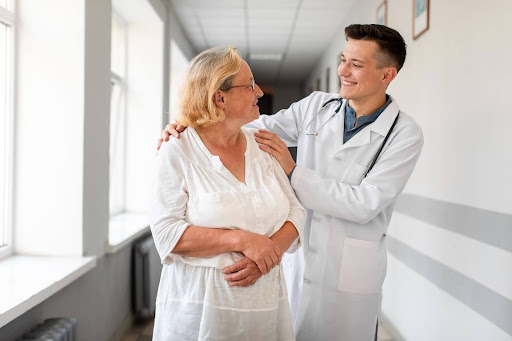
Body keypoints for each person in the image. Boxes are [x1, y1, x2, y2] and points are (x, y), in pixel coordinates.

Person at [159, 24, 424, 341]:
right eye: (343, 59)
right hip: (298, 260)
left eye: (357, 64)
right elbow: (252, 126)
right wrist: (189, 125)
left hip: (350, 269)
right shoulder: (316, 107)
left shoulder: (404, 134)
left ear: (386, 75)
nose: (343, 71)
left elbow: (364, 204)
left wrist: (292, 169)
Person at [150, 46, 306, 341]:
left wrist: (268, 254)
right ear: (219, 97)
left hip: (265, 307)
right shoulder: (177, 149)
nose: (259, 91)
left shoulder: (262, 144)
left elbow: (296, 211)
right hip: (201, 310)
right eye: (249, 85)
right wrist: (243, 241)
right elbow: (166, 233)